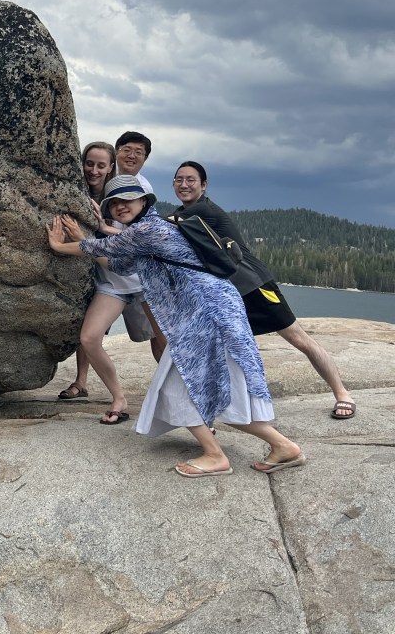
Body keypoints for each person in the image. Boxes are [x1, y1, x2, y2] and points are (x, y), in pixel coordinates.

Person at [46, 175, 305, 478]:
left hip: (206, 315)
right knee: (215, 388)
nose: (120, 206)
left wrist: (60, 245)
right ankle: (282, 446)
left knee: (177, 388)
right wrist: (83, 241)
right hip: (210, 314)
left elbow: (104, 246)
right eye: (113, 203)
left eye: (127, 199)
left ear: (144, 201)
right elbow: (117, 264)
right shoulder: (150, 233)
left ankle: (216, 455)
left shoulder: (150, 229)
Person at [171, 160, 356, 419]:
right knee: (216, 348)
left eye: (190, 180)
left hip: (254, 286)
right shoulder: (183, 212)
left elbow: (161, 227)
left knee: (298, 338)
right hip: (226, 294)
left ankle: (343, 393)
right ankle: (214, 408)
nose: (184, 184)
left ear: (203, 185)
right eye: (178, 180)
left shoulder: (203, 209)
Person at [57, 142, 140, 422]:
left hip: (141, 279)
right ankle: (116, 397)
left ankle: (187, 400)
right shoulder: (77, 192)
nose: (94, 170)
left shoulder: (120, 196)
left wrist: (83, 239)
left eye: (101, 165)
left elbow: (126, 247)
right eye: (89, 163)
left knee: (164, 341)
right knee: (90, 337)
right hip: (110, 283)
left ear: (111, 167)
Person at [112, 131, 168, 362]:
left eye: (138, 152)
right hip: (108, 273)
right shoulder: (106, 176)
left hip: (138, 272)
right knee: (91, 330)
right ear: (116, 151)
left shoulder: (143, 187)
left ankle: (171, 378)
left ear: (145, 158)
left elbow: (143, 234)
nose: (132, 156)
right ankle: (81, 378)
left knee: (157, 332)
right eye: (126, 150)